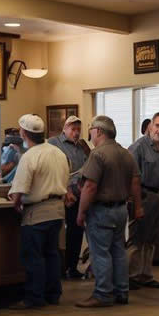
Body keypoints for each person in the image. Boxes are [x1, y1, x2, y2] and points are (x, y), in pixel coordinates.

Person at [75, 115, 144, 308]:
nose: (90, 134)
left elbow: (90, 187)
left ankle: (103, 294)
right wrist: (138, 206)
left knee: (100, 253)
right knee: (118, 251)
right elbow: (135, 182)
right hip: (121, 209)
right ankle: (122, 291)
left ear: (98, 131)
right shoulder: (126, 153)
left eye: (91, 130)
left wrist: (81, 212)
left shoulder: (97, 154)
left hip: (101, 210)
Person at [7, 114, 70, 309]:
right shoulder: (58, 152)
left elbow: (20, 188)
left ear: (23, 133)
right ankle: (53, 294)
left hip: (37, 212)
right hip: (57, 210)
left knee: (33, 256)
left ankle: (34, 297)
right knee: (52, 254)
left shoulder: (30, 156)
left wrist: (15, 202)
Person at [127, 112, 159, 290]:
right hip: (142, 196)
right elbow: (132, 178)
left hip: (158, 197)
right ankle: (130, 276)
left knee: (151, 238)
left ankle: (145, 275)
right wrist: (137, 205)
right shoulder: (138, 147)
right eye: (157, 125)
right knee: (137, 238)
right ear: (150, 126)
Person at [49, 115, 92, 279]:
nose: (76, 133)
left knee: (76, 231)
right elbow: (52, 169)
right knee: (57, 234)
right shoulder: (53, 143)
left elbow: (89, 166)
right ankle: (59, 268)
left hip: (79, 193)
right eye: (73, 129)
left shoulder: (82, 146)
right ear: (64, 129)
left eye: (78, 130)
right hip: (60, 192)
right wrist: (65, 189)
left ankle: (72, 267)